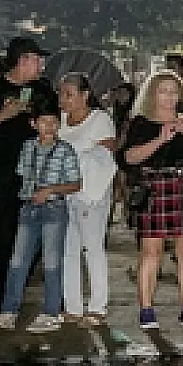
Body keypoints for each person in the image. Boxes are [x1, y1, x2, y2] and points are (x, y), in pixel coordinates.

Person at [122, 71, 183, 330]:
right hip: (155, 186)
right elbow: (128, 157)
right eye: (163, 91)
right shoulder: (142, 123)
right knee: (151, 252)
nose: (169, 96)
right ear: (152, 94)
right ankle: (146, 309)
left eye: (174, 91)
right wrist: (159, 140)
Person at [0, 97, 81, 332]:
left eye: (54, 122)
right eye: (44, 122)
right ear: (33, 124)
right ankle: (9, 310)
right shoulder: (27, 147)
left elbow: (75, 184)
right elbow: (22, 175)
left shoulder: (65, 150)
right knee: (17, 260)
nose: (49, 126)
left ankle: (50, 312)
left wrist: (50, 190)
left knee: (52, 262)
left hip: (53, 208)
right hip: (28, 208)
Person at [0, 37, 56, 312]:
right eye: (36, 60)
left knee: (40, 236)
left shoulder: (43, 89)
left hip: (38, 172)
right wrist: (5, 113)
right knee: (4, 235)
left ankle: (19, 284)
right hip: (3, 173)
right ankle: (3, 297)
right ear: (21, 61)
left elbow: (54, 122)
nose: (40, 66)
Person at [58, 73, 117, 326]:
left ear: (85, 96)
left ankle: (97, 307)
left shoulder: (99, 120)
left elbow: (106, 154)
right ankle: (72, 306)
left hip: (92, 193)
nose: (64, 99)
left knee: (92, 248)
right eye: (61, 94)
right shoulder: (60, 121)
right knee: (69, 250)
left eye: (69, 94)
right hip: (67, 193)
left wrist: (75, 161)